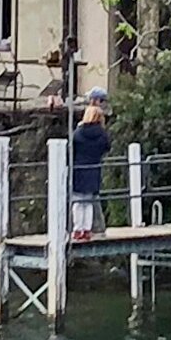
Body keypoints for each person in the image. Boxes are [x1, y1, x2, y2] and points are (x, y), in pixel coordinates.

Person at [68, 90, 112, 239]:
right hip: (94, 169)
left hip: (79, 169)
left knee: (78, 202)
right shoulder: (102, 134)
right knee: (88, 201)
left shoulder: (78, 133)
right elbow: (107, 147)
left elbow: (71, 148)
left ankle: (77, 229)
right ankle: (87, 230)